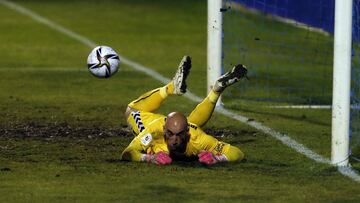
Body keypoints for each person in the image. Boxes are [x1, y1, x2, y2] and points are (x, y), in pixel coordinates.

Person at [120, 56, 248, 165]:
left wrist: (218, 158)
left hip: (179, 125)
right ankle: (212, 92)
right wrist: (149, 158)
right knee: (132, 111)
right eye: (170, 134)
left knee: (189, 125)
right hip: (150, 121)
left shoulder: (197, 137)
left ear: (187, 133)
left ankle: (172, 87)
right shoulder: (153, 132)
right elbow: (127, 153)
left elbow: (238, 153)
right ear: (164, 130)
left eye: (180, 135)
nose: (174, 140)